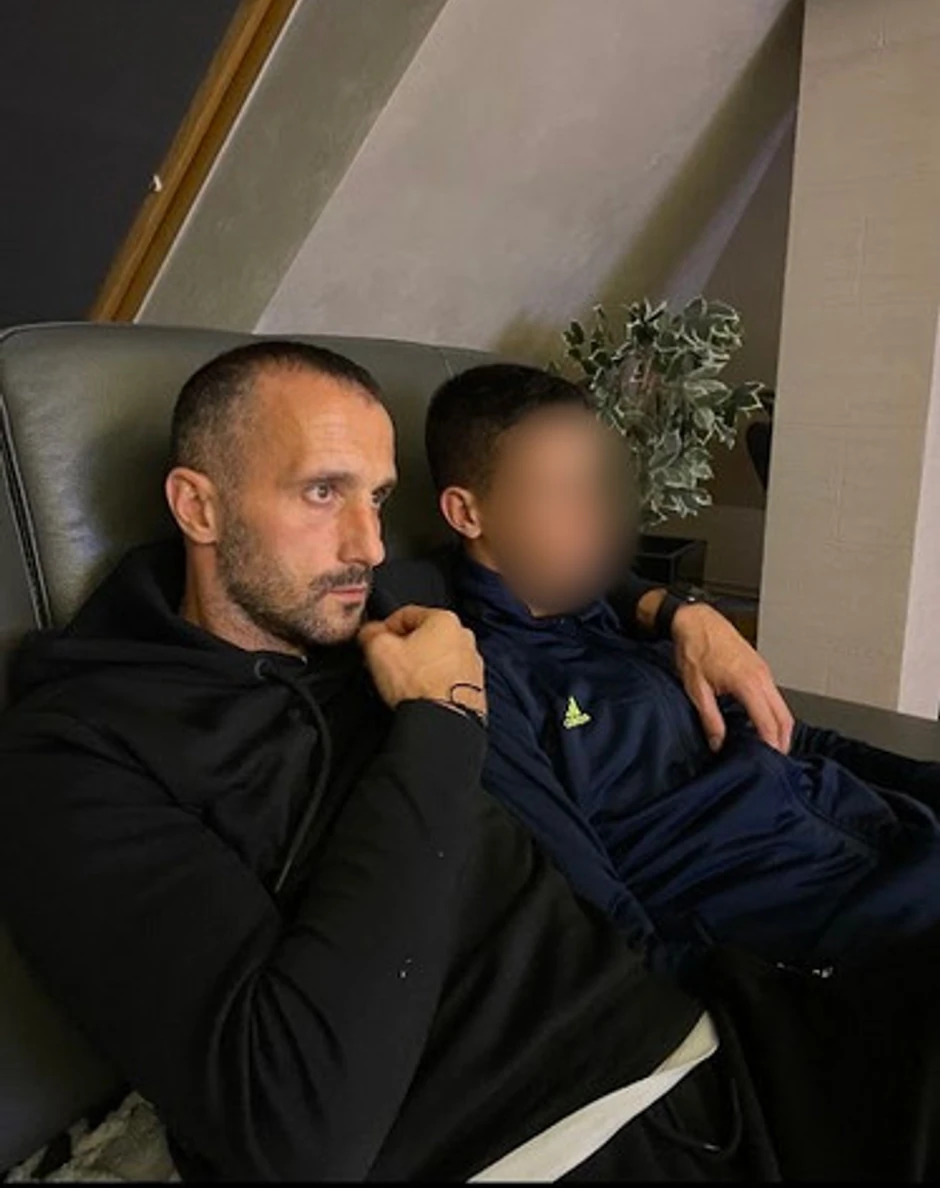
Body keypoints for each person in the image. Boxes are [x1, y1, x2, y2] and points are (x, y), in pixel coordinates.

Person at [1, 340, 939, 1183]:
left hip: (727, 1049)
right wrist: (442, 722)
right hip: (555, 1140)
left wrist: (679, 612)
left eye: (377, 498)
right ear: (197, 505)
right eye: (322, 492)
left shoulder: (372, 601)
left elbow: (545, 565)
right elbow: (296, 1128)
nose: (368, 544)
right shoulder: (81, 750)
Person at [425, 362, 940, 981]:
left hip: (891, 844)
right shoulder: (490, 678)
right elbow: (601, 913)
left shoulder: (625, 619)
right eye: (558, 490)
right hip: (832, 930)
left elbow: (790, 736)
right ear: (467, 513)